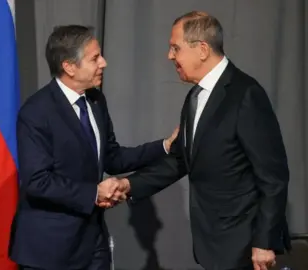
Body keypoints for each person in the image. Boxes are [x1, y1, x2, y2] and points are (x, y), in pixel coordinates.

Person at [116, 11, 291, 270]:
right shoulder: (194, 97)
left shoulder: (246, 95)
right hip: (212, 242)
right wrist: (127, 184)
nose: (170, 56)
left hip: (245, 245)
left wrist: (264, 242)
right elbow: (181, 161)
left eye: (175, 48)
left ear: (202, 49)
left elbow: (273, 177)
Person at [9, 25, 178, 270]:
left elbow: (112, 157)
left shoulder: (96, 100)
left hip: (92, 244)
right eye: (95, 58)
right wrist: (94, 194)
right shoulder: (36, 113)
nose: (104, 63)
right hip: (49, 250)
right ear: (69, 66)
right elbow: (37, 181)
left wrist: (164, 146)